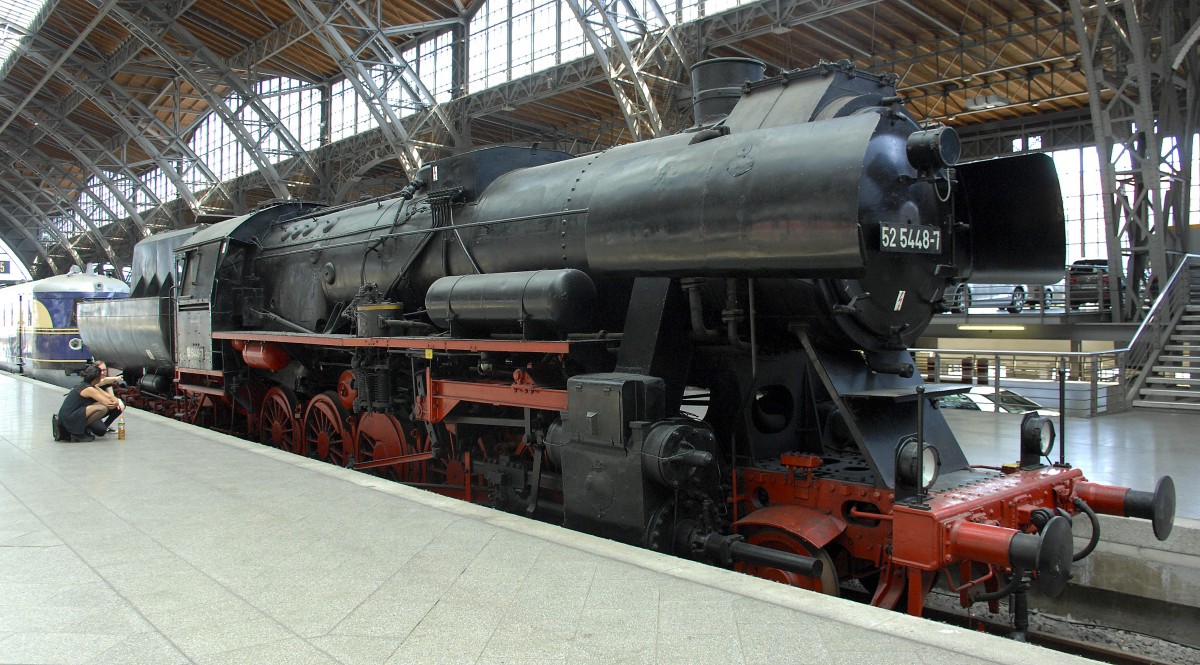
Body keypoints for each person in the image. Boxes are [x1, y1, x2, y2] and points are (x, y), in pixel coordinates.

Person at [56, 363, 124, 442]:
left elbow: (109, 398)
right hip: (69, 418)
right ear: (96, 378)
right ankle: (77, 434)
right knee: (102, 408)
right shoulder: (89, 389)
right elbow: (110, 404)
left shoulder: (89, 386)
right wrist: (115, 401)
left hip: (70, 415)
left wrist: (114, 400)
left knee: (100, 404)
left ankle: (80, 430)